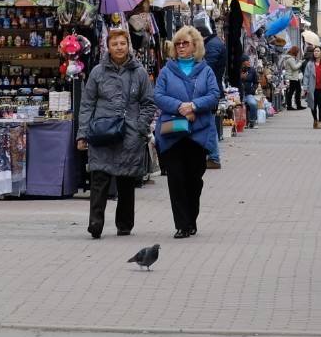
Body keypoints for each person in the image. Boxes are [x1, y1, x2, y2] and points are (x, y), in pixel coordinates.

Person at [76, 26, 156, 239]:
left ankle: (124, 224)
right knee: (99, 179)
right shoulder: (97, 72)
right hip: (101, 133)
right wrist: (82, 134)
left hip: (129, 134)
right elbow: (87, 104)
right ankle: (96, 223)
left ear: (127, 45)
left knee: (126, 181)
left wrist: (139, 127)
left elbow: (149, 103)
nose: (119, 48)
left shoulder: (138, 72)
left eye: (122, 43)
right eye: (115, 44)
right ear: (108, 47)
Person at [154, 26, 222, 238]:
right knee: (176, 178)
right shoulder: (167, 70)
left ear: (195, 46)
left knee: (194, 179)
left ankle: (191, 219)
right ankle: (182, 225)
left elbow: (213, 95)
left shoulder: (206, 70)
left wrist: (193, 105)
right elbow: (158, 95)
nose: (181, 47)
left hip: (198, 133)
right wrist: (180, 107)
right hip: (172, 132)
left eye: (185, 43)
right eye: (178, 44)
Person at [196, 14, 227, 166]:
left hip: (210, 90)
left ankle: (214, 156)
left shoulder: (212, 46)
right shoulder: (214, 43)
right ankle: (212, 156)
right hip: (213, 88)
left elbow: (207, 68)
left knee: (209, 122)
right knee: (209, 122)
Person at [302, 46, 321, 129]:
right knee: (313, 105)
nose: (316, 53)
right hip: (312, 88)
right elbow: (306, 76)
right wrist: (305, 87)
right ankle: (315, 119)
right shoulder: (310, 64)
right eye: (315, 51)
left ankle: (320, 121)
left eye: (318, 51)